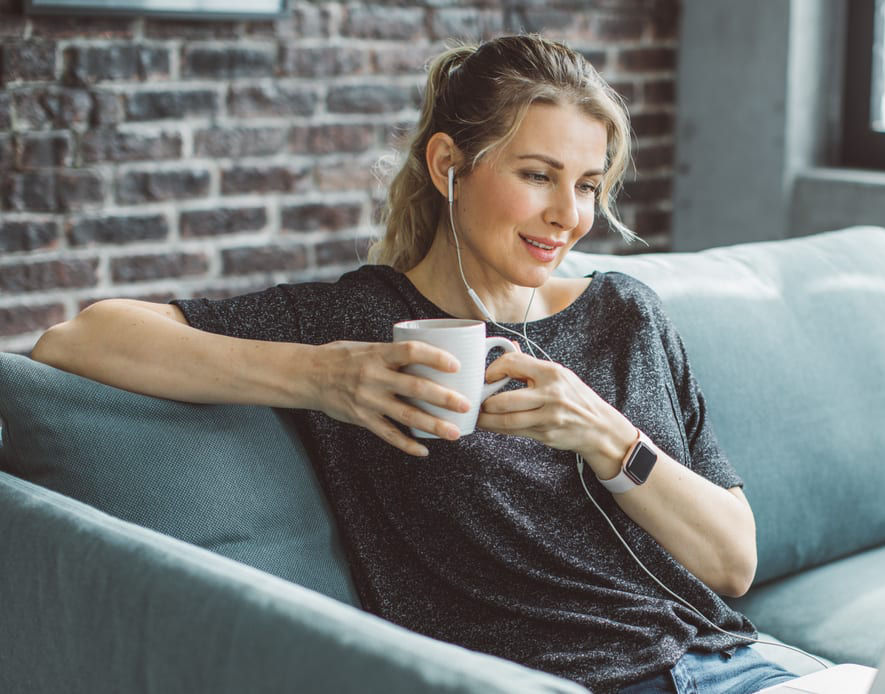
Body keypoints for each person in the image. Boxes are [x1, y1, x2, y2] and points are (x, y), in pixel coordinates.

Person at [30, 34, 804, 694]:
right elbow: (78, 340)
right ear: (448, 166)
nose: (569, 216)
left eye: (588, 185)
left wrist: (607, 436)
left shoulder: (625, 315)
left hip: (738, 664)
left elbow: (732, 563)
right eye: (537, 176)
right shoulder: (364, 324)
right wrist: (324, 378)